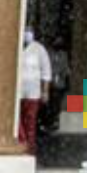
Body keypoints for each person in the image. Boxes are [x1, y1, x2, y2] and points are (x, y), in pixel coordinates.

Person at [18, 26, 51, 155]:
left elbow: (46, 72)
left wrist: (45, 91)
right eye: (25, 31)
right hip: (18, 93)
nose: (27, 34)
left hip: (33, 93)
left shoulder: (39, 49)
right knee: (17, 120)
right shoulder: (17, 47)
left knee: (30, 120)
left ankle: (30, 147)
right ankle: (22, 142)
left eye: (29, 31)